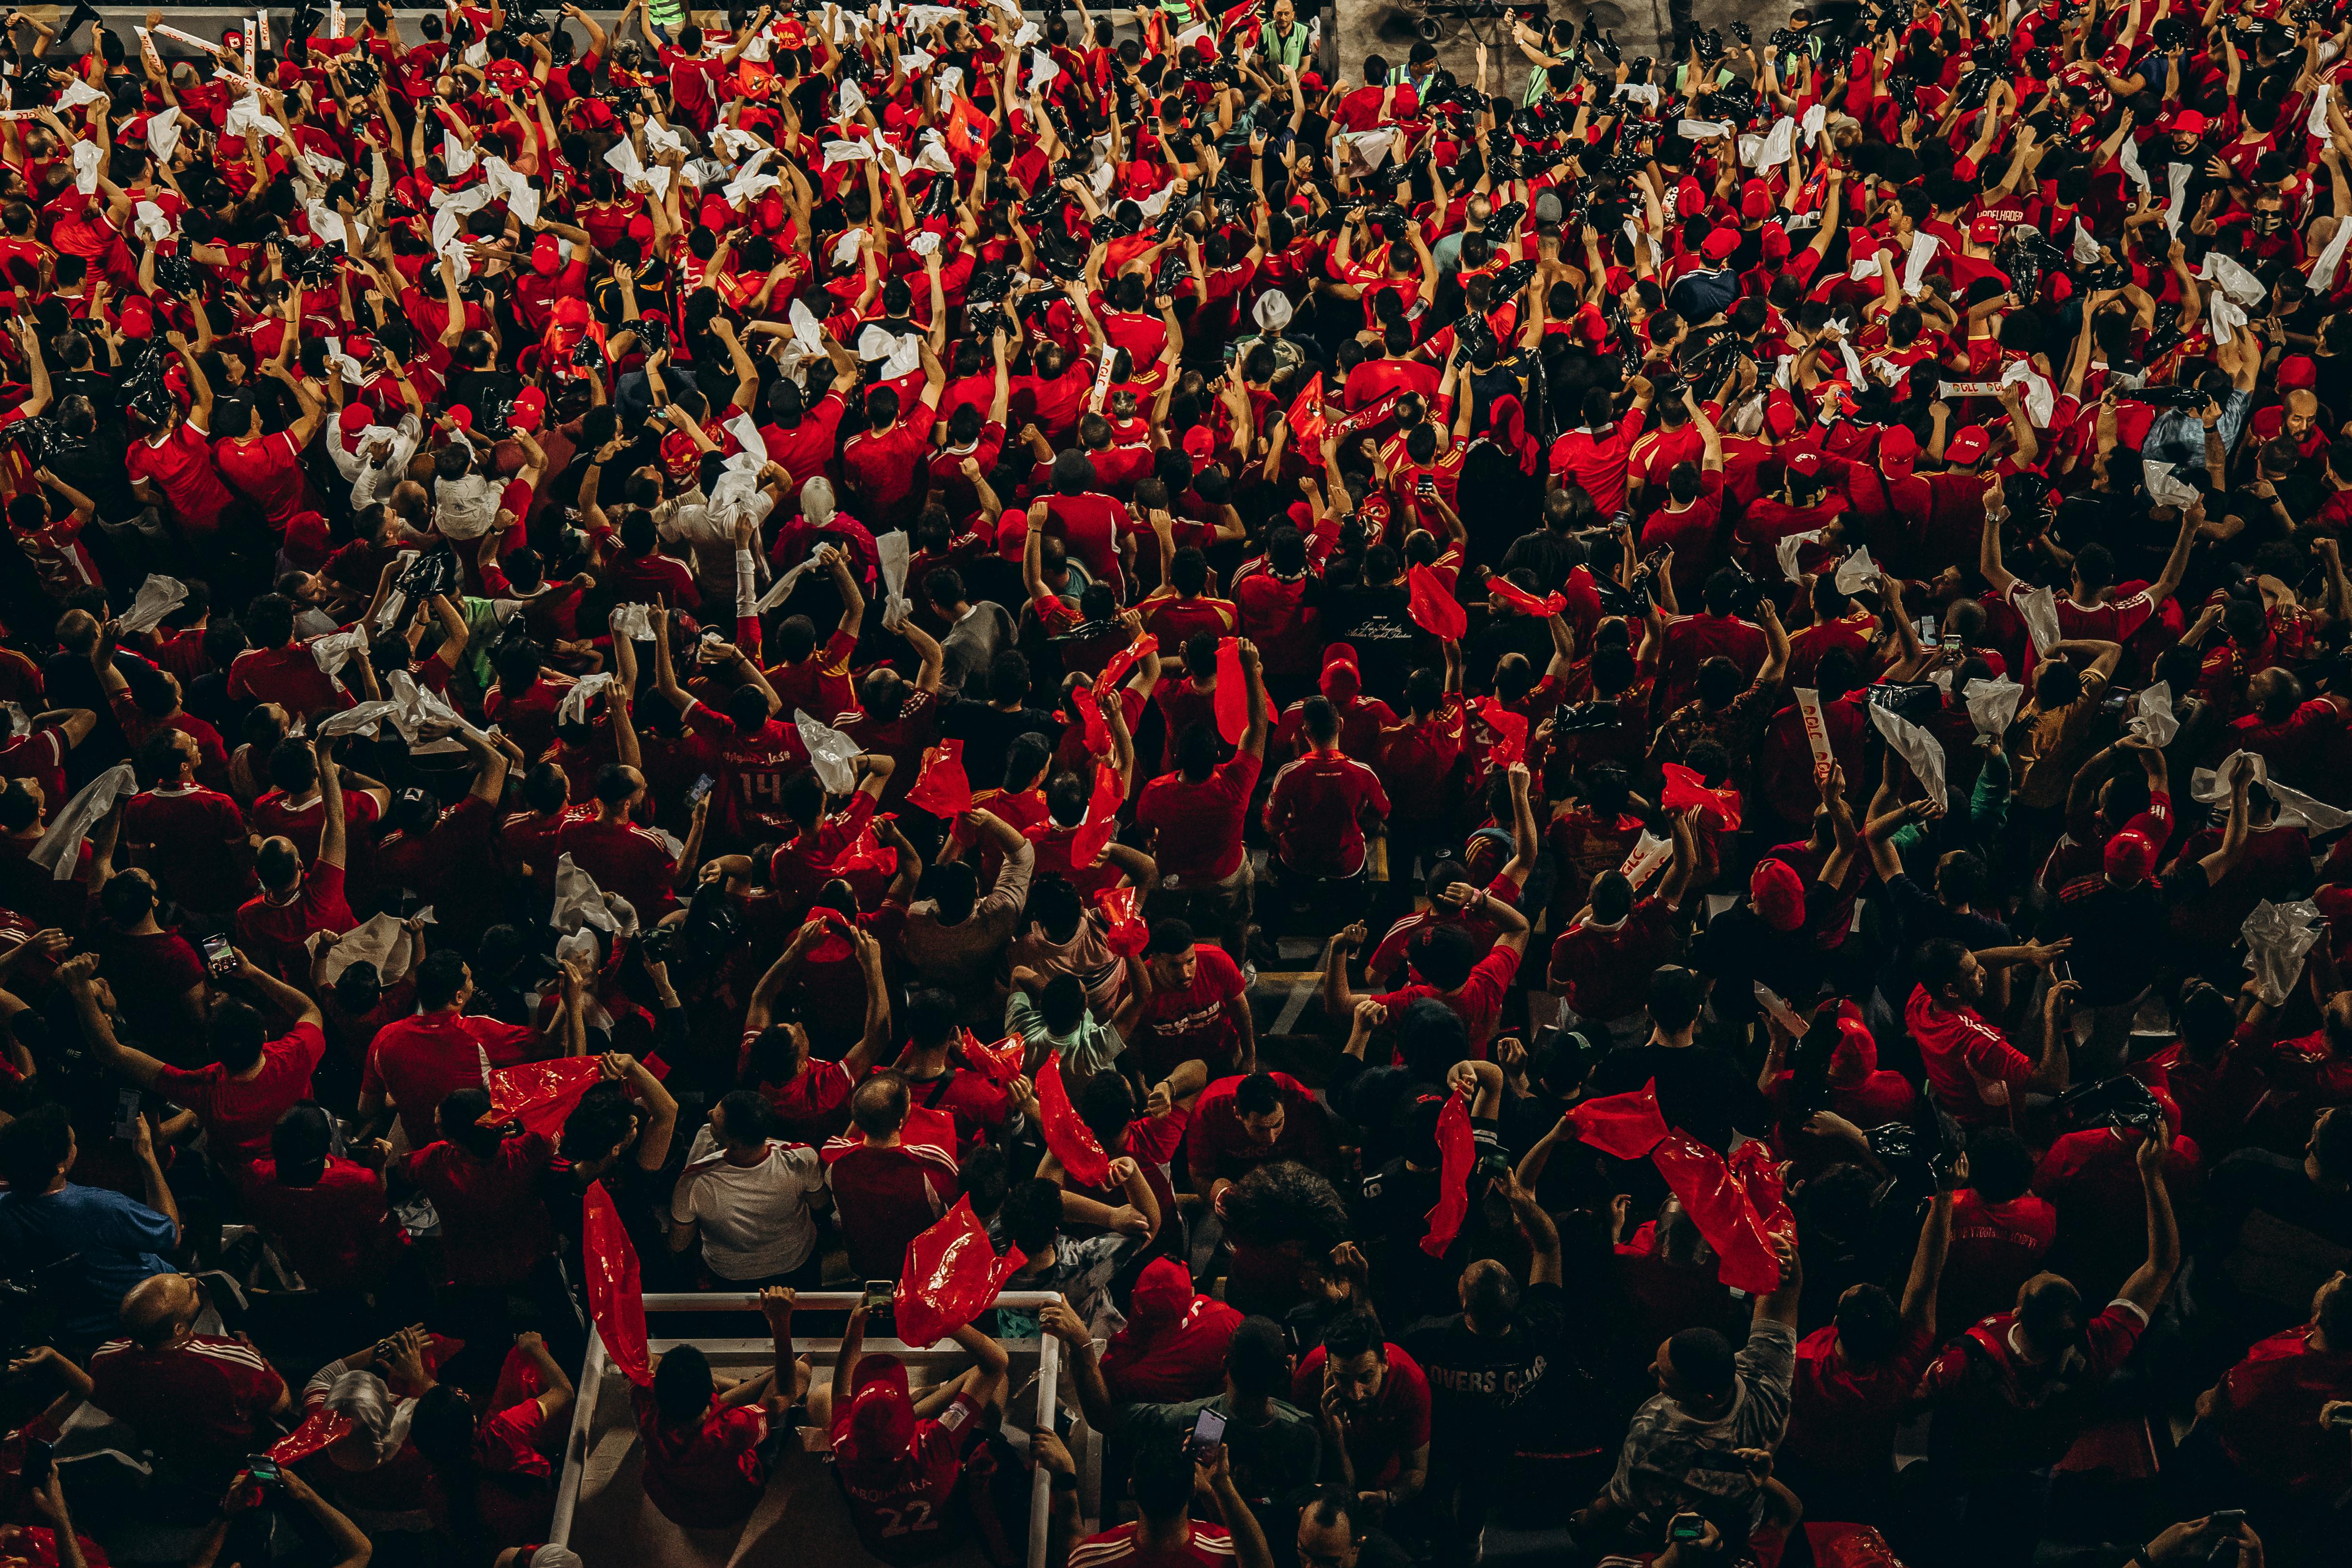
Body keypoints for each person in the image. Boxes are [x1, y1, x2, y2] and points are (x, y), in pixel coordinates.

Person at [633, 1287, 805, 1528]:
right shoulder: (733, 1427)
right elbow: (786, 1392)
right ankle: (755, 1382)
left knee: (660, 1363)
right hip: (734, 1506)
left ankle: (752, 1383)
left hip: (681, 1508)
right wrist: (780, 1321)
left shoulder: (646, 1410)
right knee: (802, 1371)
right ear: (712, 1389)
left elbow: (639, 1363)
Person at [668, 1090, 830, 1287]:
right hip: (798, 1264)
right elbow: (819, 1202)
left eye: (716, 1120)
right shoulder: (801, 1157)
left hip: (730, 1277)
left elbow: (679, 1242)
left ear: (733, 1144)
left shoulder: (693, 1181)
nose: (710, 1113)